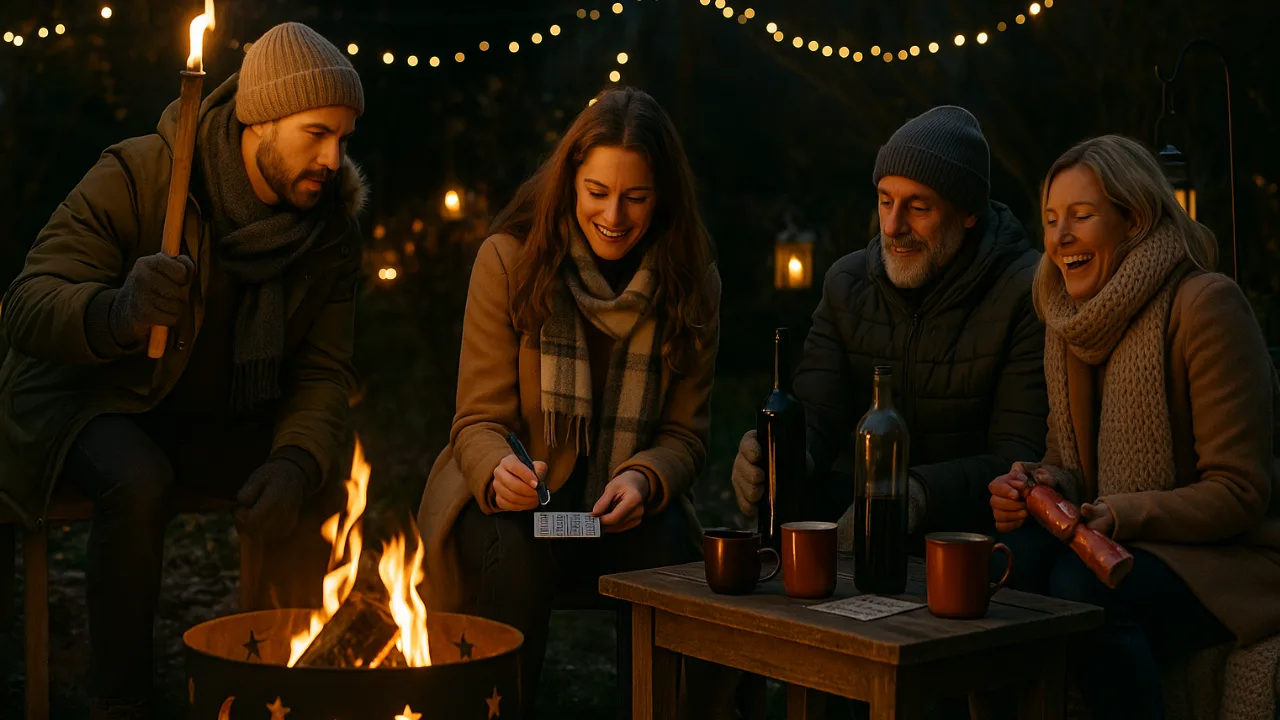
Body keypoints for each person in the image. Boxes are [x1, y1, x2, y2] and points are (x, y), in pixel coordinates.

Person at [0, 22, 365, 718]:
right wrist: (118, 310)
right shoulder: (142, 175)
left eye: (344, 138)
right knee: (138, 479)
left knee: (317, 475)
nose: (333, 156)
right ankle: (120, 697)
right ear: (259, 120)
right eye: (316, 132)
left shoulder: (328, 230)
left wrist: (293, 460)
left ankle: (283, 691)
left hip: (209, 410)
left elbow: (322, 371)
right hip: (94, 398)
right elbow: (27, 305)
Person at [415, 87, 720, 714]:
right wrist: (501, 471)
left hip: (617, 513)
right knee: (517, 547)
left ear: (662, 197)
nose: (615, 215)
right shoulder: (509, 260)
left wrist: (644, 477)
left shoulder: (692, 281)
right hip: (516, 506)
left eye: (636, 197)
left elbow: (685, 436)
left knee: (663, 548)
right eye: (597, 192)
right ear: (569, 183)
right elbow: (477, 419)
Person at [987, 135, 1280, 719]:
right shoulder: (1066, 320)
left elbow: (1241, 492)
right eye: (1050, 220)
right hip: (1115, 541)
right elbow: (1071, 465)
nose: (1060, 237)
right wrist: (1039, 486)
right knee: (1009, 561)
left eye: (1082, 216)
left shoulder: (1206, 306)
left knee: (1083, 586)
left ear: (1135, 218)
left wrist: (1121, 512)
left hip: (1227, 562)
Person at [731, 106, 1048, 541]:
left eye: (918, 207)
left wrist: (918, 491)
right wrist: (780, 458)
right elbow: (819, 413)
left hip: (971, 527)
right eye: (885, 201)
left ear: (968, 213)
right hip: (863, 507)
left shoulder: (1024, 291)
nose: (894, 226)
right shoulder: (848, 283)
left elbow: (1017, 456)